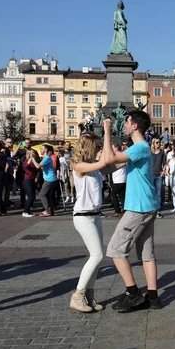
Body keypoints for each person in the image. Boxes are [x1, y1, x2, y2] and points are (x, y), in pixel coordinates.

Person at [104, 110, 162, 312]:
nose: (125, 125)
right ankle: (153, 298)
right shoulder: (141, 148)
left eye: (127, 122)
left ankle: (133, 293)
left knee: (115, 249)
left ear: (134, 125)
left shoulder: (140, 147)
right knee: (147, 253)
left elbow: (110, 159)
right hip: (147, 205)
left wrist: (107, 132)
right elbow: (113, 164)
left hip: (138, 208)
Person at [69, 121, 114, 313]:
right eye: (96, 147)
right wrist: (107, 132)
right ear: (89, 148)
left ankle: (89, 295)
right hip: (83, 216)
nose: (99, 150)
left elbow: (111, 164)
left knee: (96, 257)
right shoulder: (78, 165)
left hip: (95, 215)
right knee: (97, 255)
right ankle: (77, 295)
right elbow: (105, 162)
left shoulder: (93, 168)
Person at [30, 144, 59, 217]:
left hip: (50, 180)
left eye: (41, 148)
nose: (40, 150)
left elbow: (37, 166)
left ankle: (47, 210)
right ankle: (51, 210)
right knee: (48, 195)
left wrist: (32, 158)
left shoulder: (47, 158)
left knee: (42, 194)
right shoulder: (46, 158)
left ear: (45, 150)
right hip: (50, 179)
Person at [151, 138, 166, 218]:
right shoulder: (150, 153)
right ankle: (151, 209)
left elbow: (164, 163)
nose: (158, 144)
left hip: (159, 175)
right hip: (151, 175)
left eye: (159, 142)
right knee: (151, 193)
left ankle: (157, 211)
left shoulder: (162, 153)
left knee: (159, 193)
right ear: (153, 143)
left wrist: (163, 171)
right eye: (157, 142)